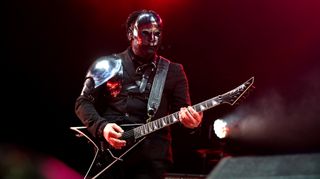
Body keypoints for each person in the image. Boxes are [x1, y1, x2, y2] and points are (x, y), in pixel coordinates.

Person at [74, 9, 203, 179]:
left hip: (150, 162)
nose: (153, 39)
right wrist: (102, 127)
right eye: (146, 33)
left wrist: (193, 123)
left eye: (157, 33)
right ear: (130, 33)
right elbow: (82, 102)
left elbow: (184, 111)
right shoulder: (107, 64)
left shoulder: (173, 71)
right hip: (109, 157)